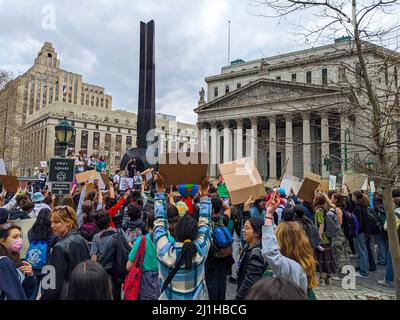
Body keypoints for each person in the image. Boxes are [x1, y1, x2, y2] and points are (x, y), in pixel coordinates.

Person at [153, 173, 212, 300]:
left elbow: (159, 223)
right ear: (196, 234)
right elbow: (206, 223)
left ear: (175, 232)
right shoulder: (200, 250)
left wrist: (159, 189)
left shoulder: (165, 252)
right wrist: (205, 193)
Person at [262, 198, 319, 298]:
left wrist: (268, 215)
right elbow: (277, 232)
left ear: (283, 243)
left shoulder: (289, 267)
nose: (274, 240)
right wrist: (270, 215)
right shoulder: (300, 263)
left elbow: (270, 252)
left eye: (276, 238)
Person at [41, 206, 90, 300]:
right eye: (51, 222)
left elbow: (51, 282)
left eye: (56, 222)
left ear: (68, 222)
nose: (52, 226)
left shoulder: (59, 247)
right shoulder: (82, 240)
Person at [126, 211, 159, 300]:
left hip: (146, 283)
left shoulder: (142, 240)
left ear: (147, 223)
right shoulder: (170, 240)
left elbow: (129, 266)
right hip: (164, 281)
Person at [205, 197, 233, 300]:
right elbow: (228, 209)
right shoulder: (223, 220)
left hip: (211, 257)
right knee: (222, 282)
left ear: (211, 209)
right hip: (224, 256)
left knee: (212, 283)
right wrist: (221, 202)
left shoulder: (206, 223)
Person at [0, 224, 37, 300]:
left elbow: (22, 291)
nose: (19, 240)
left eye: (20, 236)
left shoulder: (15, 257)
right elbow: (13, 294)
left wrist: (29, 275)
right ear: (2, 241)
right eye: (15, 237)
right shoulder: (4, 262)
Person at [234, 217, 266, 300]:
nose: (243, 230)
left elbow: (250, 282)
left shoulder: (256, 253)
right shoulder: (248, 246)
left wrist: (238, 297)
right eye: (243, 227)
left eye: (247, 228)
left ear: (256, 233)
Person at [313, 194, 336, 285]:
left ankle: (322, 279)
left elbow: (321, 225)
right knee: (328, 258)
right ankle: (328, 278)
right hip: (328, 238)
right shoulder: (326, 209)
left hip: (323, 239)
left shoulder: (318, 211)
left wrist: (318, 237)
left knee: (322, 259)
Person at [352, 191, 370, 278]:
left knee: (361, 251)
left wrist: (355, 231)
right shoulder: (363, 206)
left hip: (359, 232)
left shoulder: (357, 208)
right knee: (363, 251)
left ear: (355, 196)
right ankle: (362, 268)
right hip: (363, 232)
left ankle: (363, 272)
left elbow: (357, 222)